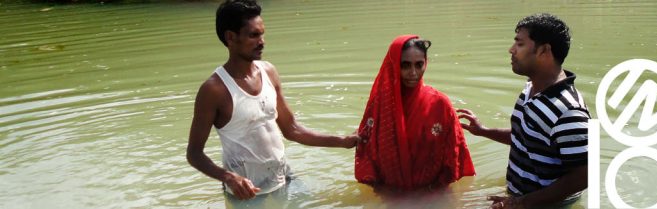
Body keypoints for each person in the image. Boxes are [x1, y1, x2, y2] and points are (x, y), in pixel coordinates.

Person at [186, 0, 360, 203]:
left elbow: (291, 129)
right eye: (253, 35)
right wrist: (228, 177)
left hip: (284, 178)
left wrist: (343, 141)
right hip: (246, 195)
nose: (262, 41)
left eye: (262, 34)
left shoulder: (268, 71)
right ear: (231, 38)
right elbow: (194, 153)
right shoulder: (214, 89)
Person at [458, 13, 589, 209]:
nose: (511, 50)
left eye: (519, 44)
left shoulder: (568, 111)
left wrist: (522, 203)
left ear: (544, 51)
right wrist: (484, 131)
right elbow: (526, 138)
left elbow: (583, 176)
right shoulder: (530, 88)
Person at [354, 35, 476, 193]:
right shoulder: (380, 105)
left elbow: (454, 155)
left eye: (419, 65)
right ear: (393, 65)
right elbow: (367, 155)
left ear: (426, 63)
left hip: (432, 195)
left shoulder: (440, 104)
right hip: (389, 195)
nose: (413, 72)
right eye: (405, 65)